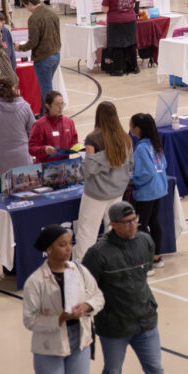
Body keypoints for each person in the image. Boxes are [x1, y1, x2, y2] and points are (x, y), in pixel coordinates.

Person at [80, 200, 165, 374]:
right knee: (112, 373)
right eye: (126, 222)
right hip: (115, 327)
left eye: (134, 219)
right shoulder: (98, 253)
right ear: (113, 224)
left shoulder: (145, 241)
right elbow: (87, 286)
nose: (132, 224)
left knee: (155, 370)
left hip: (146, 321)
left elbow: (142, 276)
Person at [23, 224, 103, 374]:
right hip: (49, 347)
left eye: (70, 243)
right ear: (49, 249)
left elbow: (98, 296)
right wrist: (60, 318)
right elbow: (30, 320)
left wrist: (87, 306)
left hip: (80, 342)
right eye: (62, 245)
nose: (69, 249)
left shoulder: (80, 270)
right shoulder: (35, 281)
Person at [73, 103, 134, 263]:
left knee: (86, 233)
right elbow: (131, 164)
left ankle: (82, 270)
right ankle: (113, 266)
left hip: (96, 194)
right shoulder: (125, 138)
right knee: (113, 232)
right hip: (117, 192)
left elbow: (88, 169)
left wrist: (98, 160)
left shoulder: (92, 138)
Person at [0, 77, 34, 192]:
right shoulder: (25, 107)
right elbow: (32, 133)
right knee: (23, 201)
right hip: (22, 161)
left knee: (1, 204)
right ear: (14, 89)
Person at [129, 113, 168, 266]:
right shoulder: (155, 143)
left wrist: (132, 179)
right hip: (159, 188)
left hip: (147, 191)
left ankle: (147, 260)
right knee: (154, 222)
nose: (129, 128)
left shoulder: (141, 148)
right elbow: (163, 164)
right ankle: (157, 256)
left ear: (138, 129)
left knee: (141, 225)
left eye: (131, 126)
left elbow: (147, 173)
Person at [16, 0, 61, 111]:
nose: (26, 9)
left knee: (46, 91)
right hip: (56, 55)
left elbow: (33, 42)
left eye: (25, 6)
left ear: (30, 3)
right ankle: (43, 114)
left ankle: (51, 116)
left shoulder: (34, 18)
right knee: (46, 87)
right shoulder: (53, 14)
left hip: (43, 58)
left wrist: (19, 47)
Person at [99, 0, 138, 76]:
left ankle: (119, 69)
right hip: (130, 20)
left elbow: (105, 9)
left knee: (117, 45)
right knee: (131, 43)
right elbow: (133, 5)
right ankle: (134, 67)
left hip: (116, 22)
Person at [29, 92, 78, 162]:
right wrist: (45, 150)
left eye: (62, 104)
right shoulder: (39, 125)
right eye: (57, 104)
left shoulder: (69, 122)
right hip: (46, 168)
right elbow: (31, 149)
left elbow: (74, 141)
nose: (61, 107)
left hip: (64, 166)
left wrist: (80, 147)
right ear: (48, 106)